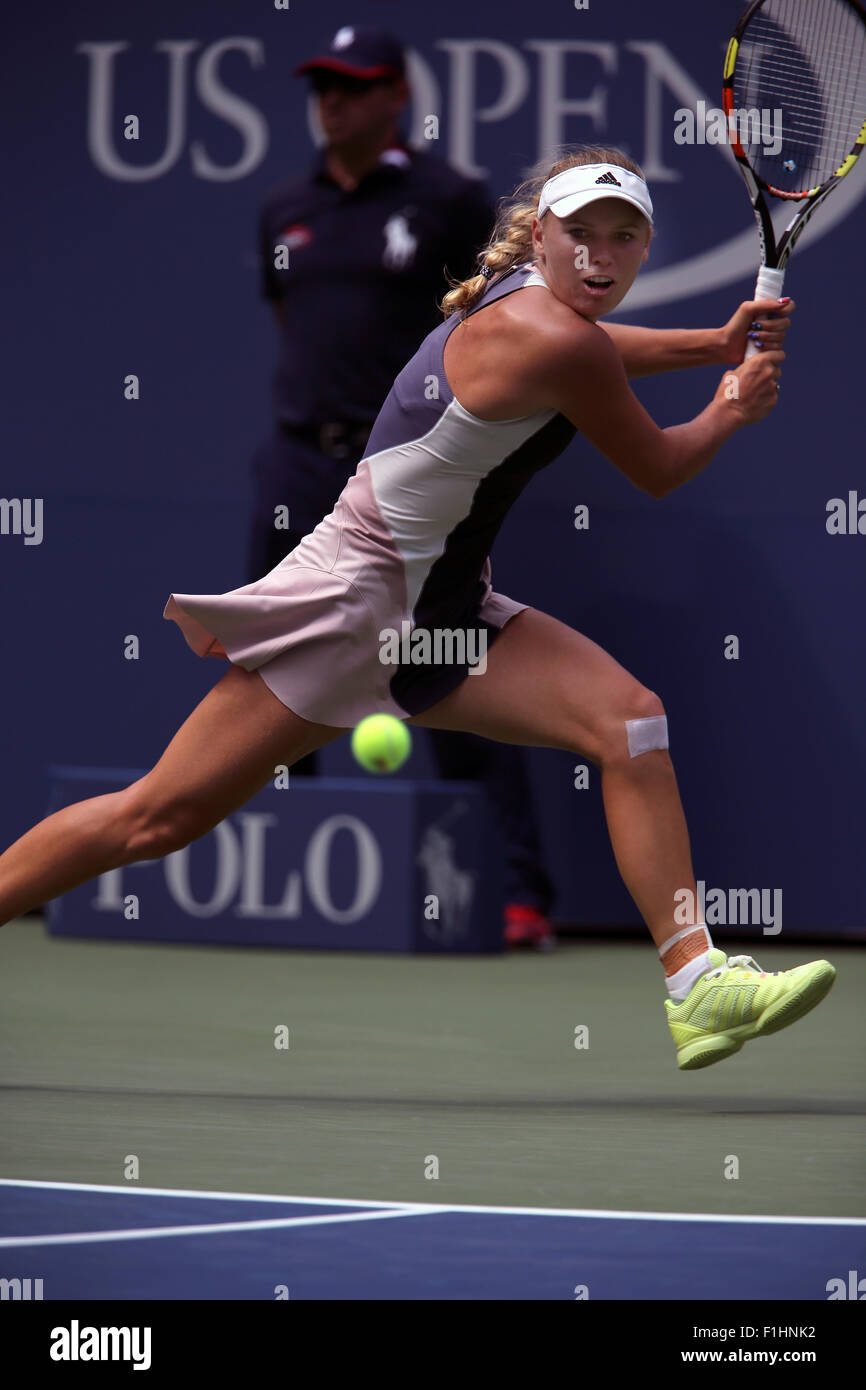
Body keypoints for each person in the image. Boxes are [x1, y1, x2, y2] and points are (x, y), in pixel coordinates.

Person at [0, 145, 836, 1070]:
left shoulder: (535, 301)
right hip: (354, 604)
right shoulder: (558, 341)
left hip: (444, 612)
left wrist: (712, 343)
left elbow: (598, 350)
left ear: (645, 247)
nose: (601, 257)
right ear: (541, 237)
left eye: (625, 238)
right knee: (153, 820)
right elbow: (660, 465)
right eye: (582, 236)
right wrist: (730, 403)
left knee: (629, 723)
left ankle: (697, 984)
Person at [249, 24, 557, 948]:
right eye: (322, 84)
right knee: (277, 668)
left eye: (354, 84)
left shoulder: (449, 200)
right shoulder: (284, 209)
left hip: (410, 474)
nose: (331, 99)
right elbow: (288, 321)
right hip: (299, 462)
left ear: (395, 95)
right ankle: (285, 884)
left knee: (445, 671)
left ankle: (516, 897)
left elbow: (501, 319)